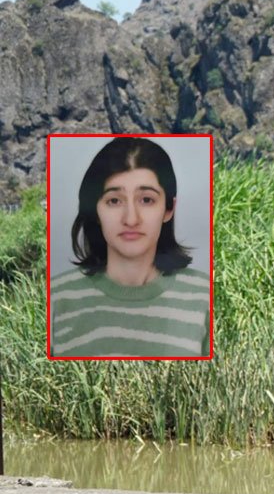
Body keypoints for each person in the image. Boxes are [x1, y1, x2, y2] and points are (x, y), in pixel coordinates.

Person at [50, 137, 209, 358]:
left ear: (169, 209)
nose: (131, 219)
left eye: (146, 200)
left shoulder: (205, 296)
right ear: (95, 210)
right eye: (114, 201)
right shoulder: (56, 298)